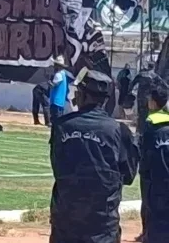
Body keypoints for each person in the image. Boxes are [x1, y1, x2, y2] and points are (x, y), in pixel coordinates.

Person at [48, 69, 138, 243]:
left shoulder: (61, 126)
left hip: (65, 219)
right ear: (105, 100)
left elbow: (57, 167)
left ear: (83, 95)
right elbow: (128, 176)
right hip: (102, 223)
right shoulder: (120, 131)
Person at [138, 82, 169, 242]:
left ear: (153, 101)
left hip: (153, 177)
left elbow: (144, 150)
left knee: (150, 208)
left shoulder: (151, 121)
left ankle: (146, 233)